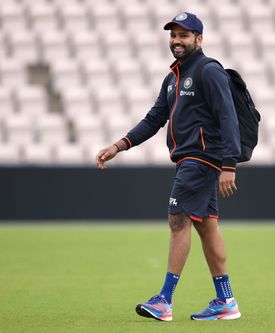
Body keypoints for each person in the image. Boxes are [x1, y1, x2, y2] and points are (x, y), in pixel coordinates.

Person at [96, 12, 241, 322]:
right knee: (206, 224)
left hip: (201, 158)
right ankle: (226, 300)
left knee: (178, 220)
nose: (176, 40)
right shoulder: (172, 79)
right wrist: (119, 145)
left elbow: (228, 115)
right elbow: (154, 119)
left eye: (184, 35)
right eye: (173, 34)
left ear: (199, 40)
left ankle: (165, 300)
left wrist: (230, 163)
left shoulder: (208, 70)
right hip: (192, 159)